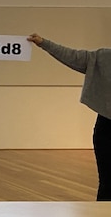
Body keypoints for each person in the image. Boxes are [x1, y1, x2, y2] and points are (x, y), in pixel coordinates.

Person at [27, 33, 111, 201]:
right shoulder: (103, 57)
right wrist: (44, 43)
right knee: (108, 183)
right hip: (107, 130)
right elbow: (72, 56)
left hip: (104, 130)